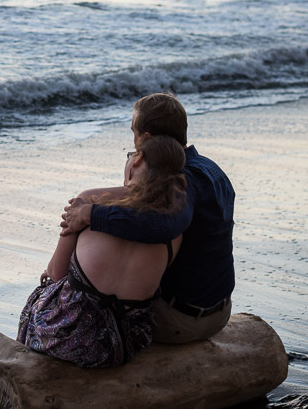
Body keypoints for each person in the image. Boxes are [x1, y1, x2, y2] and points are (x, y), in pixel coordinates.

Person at [61, 92, 235, 343]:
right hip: (218, 313)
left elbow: (162, 224)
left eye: (134, 132)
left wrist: (91, 214)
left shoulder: (182, 183)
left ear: (147, 139)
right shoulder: (211, 169)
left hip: (179, 320)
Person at [17, 134, 186, 367]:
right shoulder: (173, 230)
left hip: (69, 337)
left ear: (138, 160)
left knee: (40, 294)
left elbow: (57, 272)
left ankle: (27, 367)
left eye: (131, 155)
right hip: (122, 346)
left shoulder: (91, 201)